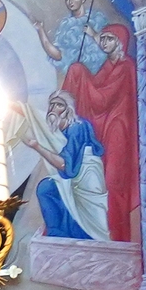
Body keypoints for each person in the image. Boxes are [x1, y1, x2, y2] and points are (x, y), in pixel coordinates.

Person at [58, 23, 137, 242]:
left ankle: (119, 236)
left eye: (109, 39)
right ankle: (103, 233)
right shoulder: (108, 65)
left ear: (120, 42)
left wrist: (80, 74)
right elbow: (97, 89)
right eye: (102, 39)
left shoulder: (125, 66)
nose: (104, 43)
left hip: (118, 129)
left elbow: (101, 98)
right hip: (105, 127)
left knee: (114, 182)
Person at [26, 90, 109, 241]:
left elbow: (66, 166)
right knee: (48, 188)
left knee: (47, 188)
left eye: (59, 105)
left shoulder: (77, 127)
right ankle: (58, 233)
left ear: (68, 109)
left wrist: (37, 147)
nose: (53, 109)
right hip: (77, 175)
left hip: (87, 176)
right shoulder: (63, 131)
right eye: (52, 104)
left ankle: (62, 234)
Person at [34, 0, 108, 76]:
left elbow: (109, 48)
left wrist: (93, 34)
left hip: (99, 74)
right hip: (76, 77)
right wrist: (41, 30)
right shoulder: (66, 26)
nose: (70, 1)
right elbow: (58, 55)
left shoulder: (96, 19)